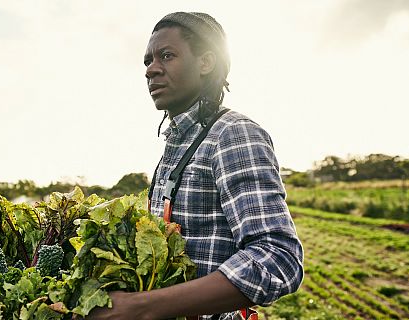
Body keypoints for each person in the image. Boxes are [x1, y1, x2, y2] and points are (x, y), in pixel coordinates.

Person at [86, 12, 303, 320]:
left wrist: (140, 308)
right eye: (147, 61)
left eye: (166, 56)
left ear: (205, 63)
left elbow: (277, 259)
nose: (151, 70)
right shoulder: (177, 145)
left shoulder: (231, 134)